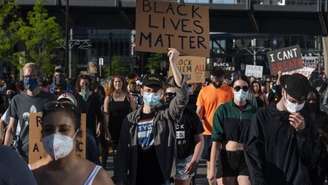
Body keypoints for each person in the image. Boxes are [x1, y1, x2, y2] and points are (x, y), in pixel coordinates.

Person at [116, 48, 188, 185]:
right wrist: (120, 178)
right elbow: (122, 152)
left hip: (160, 177)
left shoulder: (167, 115)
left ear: (162, 93)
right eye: (148, 90)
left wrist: (173, 63)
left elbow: (183, 96)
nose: (152, 94)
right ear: (141, 91)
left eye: (156, 91)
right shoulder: (130, 119)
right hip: (137, 177)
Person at [245, 73, 321, 185]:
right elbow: (253, 156)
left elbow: (312, 158)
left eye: (300, 102)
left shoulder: (306, 117)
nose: (296, 105)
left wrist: (302, 133)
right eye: (293, 101)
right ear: (283, 92)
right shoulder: (262, 117)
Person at [33, 100, 114, 185]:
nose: (55, 136)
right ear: (42, 135)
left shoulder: (97, 178)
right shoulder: (28, 173)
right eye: (49, 129)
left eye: (63, 130)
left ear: (78, 135)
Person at [208, 74, 256, 185]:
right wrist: (212, 170)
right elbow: (216, 142)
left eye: (245, 88)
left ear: (248, 90)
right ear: (232, 89)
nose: (241, 91)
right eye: (237, 88)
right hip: (227, 157)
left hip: (246, 157)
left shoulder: (254, 112)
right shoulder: (223, 110)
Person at [4, 63, 56, 161]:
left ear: (39, 78)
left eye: (31, 76)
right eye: (26, 76)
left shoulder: (50, 99)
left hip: (45, 154)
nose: (28, 79)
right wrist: (5, 153)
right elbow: (11, 129)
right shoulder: (17, 100)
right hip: (23, 154)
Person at [196, 68, 233, 184]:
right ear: (211, 77)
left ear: (223, 77)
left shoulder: (230, 90)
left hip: (225, 133)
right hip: (208, 132)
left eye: (220, 77)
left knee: (224, 163)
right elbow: (199, 111)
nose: (217, 79)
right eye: (215, 77)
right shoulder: (204, 91)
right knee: (210, 165)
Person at [164, 78, 204, 185]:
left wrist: (194, 160)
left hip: (185, 158)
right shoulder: (160, 113)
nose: (168, 97)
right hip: (165, 159)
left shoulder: (190, 114)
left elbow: (199, 140)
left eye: (172, 95)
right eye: (167, 94)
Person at [102, 75, 135, 173]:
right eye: (116, 82)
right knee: (116, 154)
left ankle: (125, 175)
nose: (118, 84)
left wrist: (133, 129)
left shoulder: (129, 97)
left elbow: (134, 114)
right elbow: (106, 116)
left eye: (119, 82)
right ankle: (117, 177)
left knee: (126, 153)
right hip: (113, 129)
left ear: (123, 83)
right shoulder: (108, 98)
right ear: (113, 83)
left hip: (126, 129)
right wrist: (107, 131)